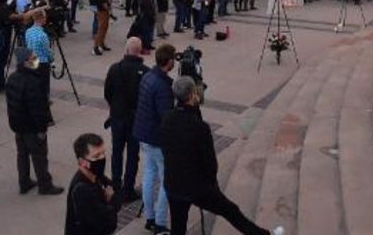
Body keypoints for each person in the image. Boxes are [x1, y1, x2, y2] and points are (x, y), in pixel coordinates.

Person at [160, 77, 284, 235]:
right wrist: (211, 185)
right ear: (192, 95)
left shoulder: (167, 118)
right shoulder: (199, 127)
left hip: (174, 184)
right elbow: (210, 163)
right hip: (197, 187)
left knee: (178, 228)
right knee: (231, 211)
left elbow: (166, 148)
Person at [5, 47, 63, 196]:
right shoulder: (33, 82)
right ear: (26, 62)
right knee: (40, 157)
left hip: (18, 125)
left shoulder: (12, 79)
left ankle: (24, 182)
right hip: (32, 127)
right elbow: (38, 109)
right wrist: (42, 129)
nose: (36, 60)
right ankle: (45, 185)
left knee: (22, 154)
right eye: (33, 58)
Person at [132, 43, 176, 233]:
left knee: (149, 174)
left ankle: (149, 216)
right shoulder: (163, 86)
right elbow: (166, 117)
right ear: (169, 61)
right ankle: (159, 221)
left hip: (143, 134)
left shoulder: (148, 76)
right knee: (167, 179)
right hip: (157, 139)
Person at [102, 37, 148, 203]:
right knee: (133, 155)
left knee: (117, 152)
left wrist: (115, 107)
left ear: (126, 50)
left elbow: (107, 92)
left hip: (118, 118)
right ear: (140, 51)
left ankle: (116, 186)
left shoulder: (115, 69)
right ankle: (128, 189)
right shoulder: (145, 71)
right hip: (136, 119)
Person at [65, 132, 122, 235]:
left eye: (103, 153)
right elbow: (107, 225)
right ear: (82, 162)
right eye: (96, 156)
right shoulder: (82, 191)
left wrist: (111, 202)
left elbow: (117, 195)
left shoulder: (97, 176)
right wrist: (111, 202)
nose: (102, 158)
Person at [24, 8, 53, 101]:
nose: (46, 19)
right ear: (41, 18)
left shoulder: (28, 31)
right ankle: (44, 101)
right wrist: (51, 58)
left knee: (33, 82)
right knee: (44, 84)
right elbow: (47, 50)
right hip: (42, 61)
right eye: (44, 17)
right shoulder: (43, 35)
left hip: (32, 59)